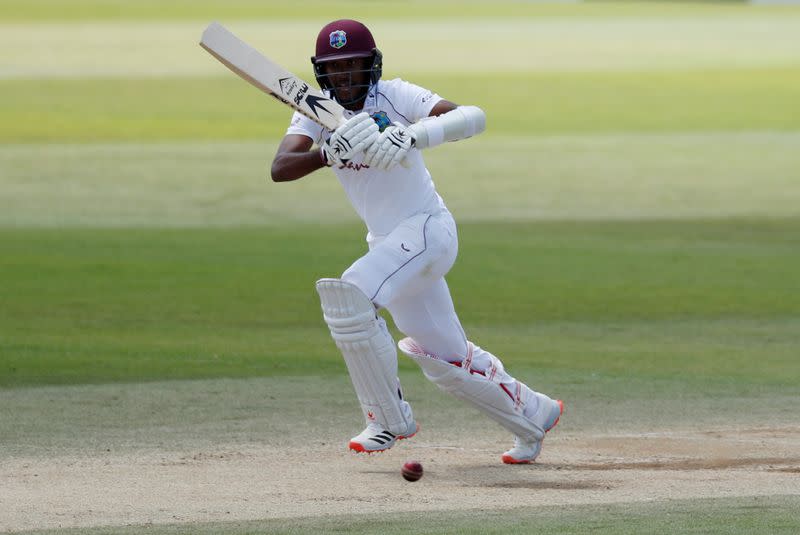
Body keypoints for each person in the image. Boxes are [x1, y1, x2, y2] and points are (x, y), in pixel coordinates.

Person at [271, 19, 563, 464]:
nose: (346, 76)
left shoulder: (396, 95)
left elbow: (473, 117)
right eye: (336, 68)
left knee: (349, 295)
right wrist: (327, 154)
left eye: (354, 65)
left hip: (427, 230)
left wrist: (411, 134)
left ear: (372, 65)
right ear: (321, 73)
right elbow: (281, 167)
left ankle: (388, 418)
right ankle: (533, 415)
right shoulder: (314, 110)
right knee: (447, 358)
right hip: (389, 245)